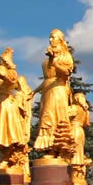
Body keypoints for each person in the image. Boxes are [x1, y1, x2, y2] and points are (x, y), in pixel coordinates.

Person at [33, 29, 74, 157]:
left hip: (58, 89)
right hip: (47, 91)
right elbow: (47, 80)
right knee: (45, 117)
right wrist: (34, 91)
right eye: (50, 37)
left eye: (53, 37)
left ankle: (57, 149)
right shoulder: (47, 59)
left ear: (60, 40)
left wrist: (55, 61)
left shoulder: (65, 56)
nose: (50, 40)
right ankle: (49, 149)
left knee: (53, 117)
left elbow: (66, 73)